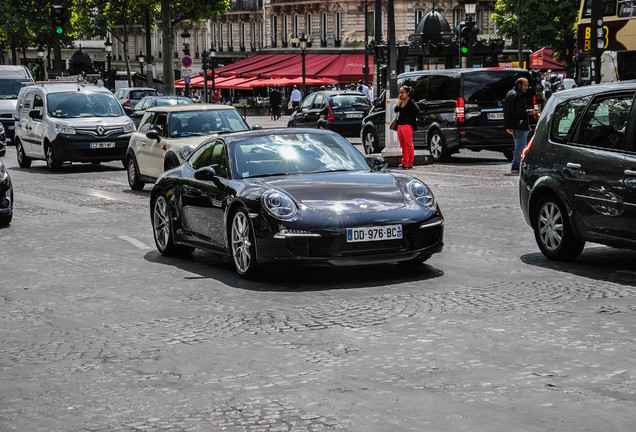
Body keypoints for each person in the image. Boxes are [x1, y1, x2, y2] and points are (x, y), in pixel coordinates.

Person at [504, 77, 535, 174]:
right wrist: (529, 112)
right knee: (520, 145)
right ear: (519, 85)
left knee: (518, 144)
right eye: (525, 85)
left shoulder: (510, 93)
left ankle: (517, 165)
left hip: (514, 124)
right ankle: (516, 165)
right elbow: (519, 112)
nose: (527, 87)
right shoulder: (518, 95)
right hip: (520, 124)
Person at [394, 86, 420, 170]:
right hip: (400, 125)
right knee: (402, 145)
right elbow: (396, 110)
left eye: (402, 92)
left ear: (407, 93)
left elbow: (417, 109)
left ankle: (410, 163)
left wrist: (411, 119)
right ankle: (404, 161)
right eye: (400, 92)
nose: (401, 94)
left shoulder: (411, 101)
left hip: (407, 126)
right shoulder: (401, 101)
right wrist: (399, 102)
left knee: (409, 145)